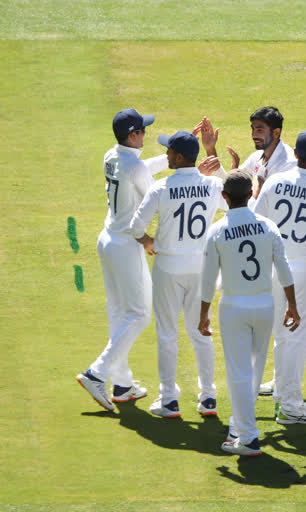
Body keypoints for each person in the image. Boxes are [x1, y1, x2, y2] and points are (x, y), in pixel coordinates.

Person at [196, 109, 306, 399]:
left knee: (295, 326)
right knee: (296, 322)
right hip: (286, 261)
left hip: (282, 258)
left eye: (259, 129)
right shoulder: (261, 160)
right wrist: (215, 157)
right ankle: (302, 379)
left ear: (278, 134)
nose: (254, 134)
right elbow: (240, 192)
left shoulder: (284, 167)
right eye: (252, 128)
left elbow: (248, 205)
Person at [198, 171, 300, 456]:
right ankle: (242, 425)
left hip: (233, 306)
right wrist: (292, 304)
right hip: (264, 305)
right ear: (252, 194)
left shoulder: (217, 230)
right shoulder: (268, 226)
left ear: (225, 197)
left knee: (238, 372)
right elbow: (284, 268)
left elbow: (208, 279)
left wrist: (203, 313)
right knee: (254, 370)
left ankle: (247, 436)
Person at [128, 130, 225, 419]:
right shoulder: (211, 186)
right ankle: (208, 397)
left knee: (167, 334)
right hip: (201, 267)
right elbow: (234, 202)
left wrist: (147, 242)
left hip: (168, 267)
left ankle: (169, 399)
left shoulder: (161, 188)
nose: (166, 155)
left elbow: (135, 226)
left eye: (169, 152)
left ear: (179, 157)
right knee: (201, 333)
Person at [76, 108, 168, 411]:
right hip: (127, 244)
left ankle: (124, 384)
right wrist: (185, 167)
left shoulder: (112, 155)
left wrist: (174, 157)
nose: (146, 134)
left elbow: (141, 169)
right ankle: (97, 373)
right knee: (140, 314)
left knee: (119, 312)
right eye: (142, 130)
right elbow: (153, 195)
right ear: (133, 135)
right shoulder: (134, 166)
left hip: (108, 240)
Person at [252, 129, 306, 424]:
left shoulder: (274, 182)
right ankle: (289, 407)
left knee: (281, 336)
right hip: (303, 271)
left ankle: (282, 398)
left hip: (273, 267)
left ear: (296, 154)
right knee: (296, 338)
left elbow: (257, 221)